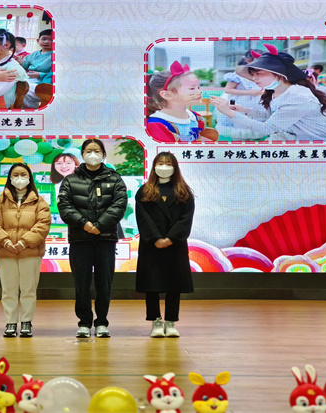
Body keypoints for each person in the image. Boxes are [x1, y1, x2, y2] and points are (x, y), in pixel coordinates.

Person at [57, 139, 128, 339]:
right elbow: (65, 207)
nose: (93, 154)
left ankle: (102, 322)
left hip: (105, 239)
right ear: (82, 154)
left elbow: (119, 205)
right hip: (80, 239)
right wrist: (84, 224)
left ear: (103, 154)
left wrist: (99, 225)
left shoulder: (115, 179)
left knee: (104, 283)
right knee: (82, 283)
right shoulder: (70, 180)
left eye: (97, 151)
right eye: (89, 151)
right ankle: (84, 323)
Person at [210, 44, 326, 141]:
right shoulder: (276, 92)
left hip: (322, 142)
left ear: (279, 73)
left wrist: (229, 113)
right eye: (252, 74)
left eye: (259, 73)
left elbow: (267, 128)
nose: (254, 78)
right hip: (298, 138)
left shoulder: (298, 97)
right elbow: (270, 115)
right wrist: (243, 109)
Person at [0, 163, 51, 338]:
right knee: (9, 289)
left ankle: (27, 322)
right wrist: (5, 242)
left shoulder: (39, 202)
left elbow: (43, 225)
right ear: (10, 178)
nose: (19, 178)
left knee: (29, 289)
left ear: (29, 178)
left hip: (30, 252)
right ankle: (11, 322)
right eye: (15, 175)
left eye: (23, 174)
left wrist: (23, 243)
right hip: (5, 252)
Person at [135, 152, 195, 338]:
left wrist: (170, 238)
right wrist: (156, 238)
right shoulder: (145, 191)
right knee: (151, 285)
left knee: (173, 285)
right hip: (151, 245)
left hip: (175, 245)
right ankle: (155, 321)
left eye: (168, 164)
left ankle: (171, 322)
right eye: (160, 163)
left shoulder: (183, 191)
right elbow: (143, 218)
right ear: (154, 166)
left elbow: (186, 220)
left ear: (175, 167)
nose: (164, 167)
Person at [147, 61, 217, 143]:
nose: (199, 92)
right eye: (192, 88)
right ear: (167, 95)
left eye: (198, 87)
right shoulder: (158, 125)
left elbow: (200, 137)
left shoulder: (194, 116)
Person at [214, 53, 266, 141]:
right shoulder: (237, 76)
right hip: (239, 102)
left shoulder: (259, 75)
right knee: (239, 128)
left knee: (255, 126)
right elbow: (228, 90)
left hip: (255, 103)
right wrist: (250, 92)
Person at [22, 29, 54, 108]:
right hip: (29, 77)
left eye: (51, 40)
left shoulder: (55, 55)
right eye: (44, 39)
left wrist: (40, 74)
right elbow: (25, 65)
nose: (47, 42)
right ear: (38, 40)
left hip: (42, 80)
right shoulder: (34, 54)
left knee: (24, 90)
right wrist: (20, 62)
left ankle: (30, 110)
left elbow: (54, 74)